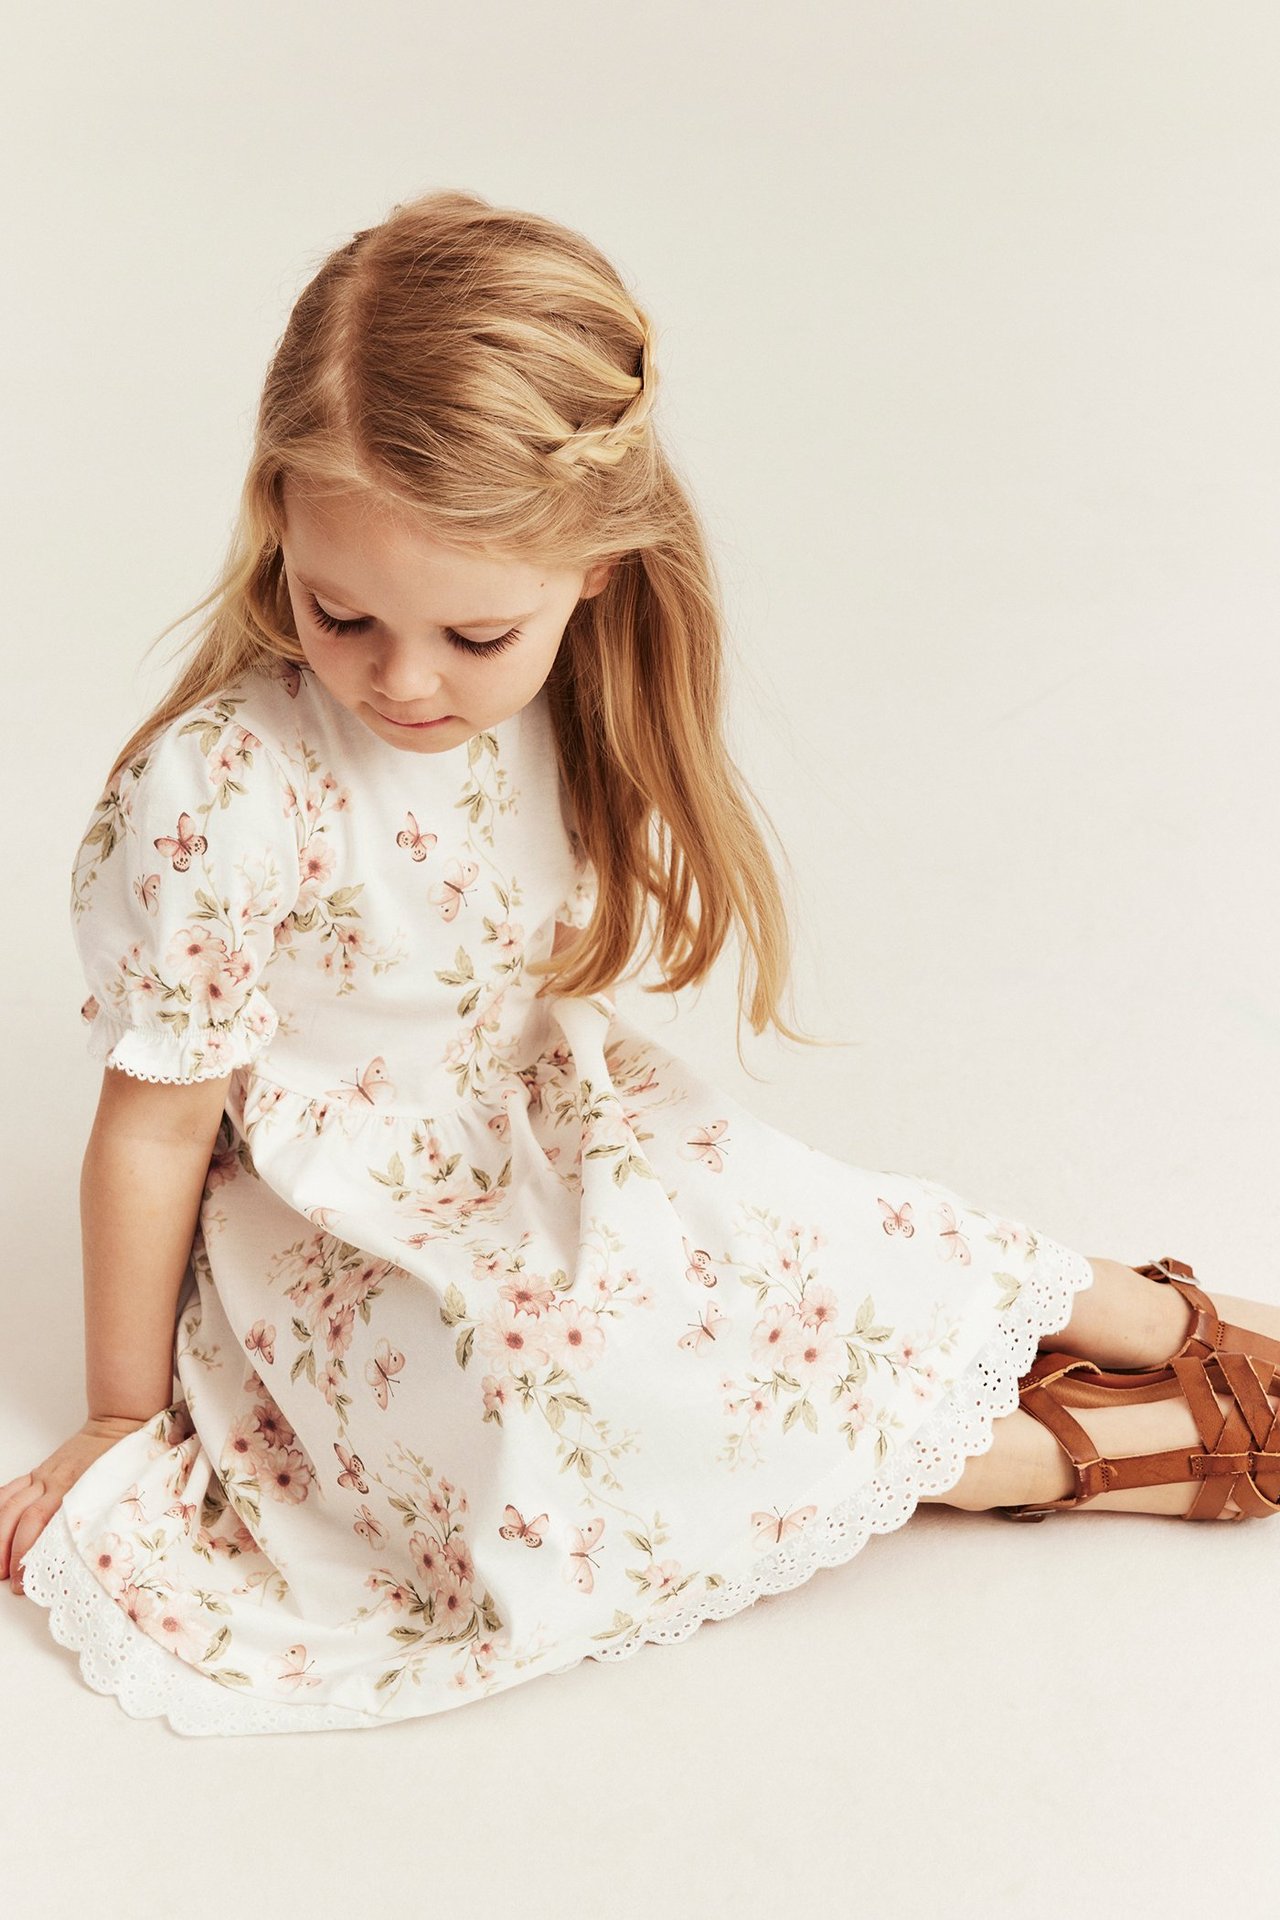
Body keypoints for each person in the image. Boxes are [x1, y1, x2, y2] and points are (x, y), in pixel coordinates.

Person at [4, 190, 1278, 1740]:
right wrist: (123, 1420)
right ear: (279, 521)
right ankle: (1052, 1460)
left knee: (791, 1237)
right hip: (345, 1220)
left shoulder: (565, 705)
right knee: (559, 1386)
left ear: (592, 569)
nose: (406, 683)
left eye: (474, 637)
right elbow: (154, 1127)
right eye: (342, 616)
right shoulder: (217, 798)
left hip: (546, 1112)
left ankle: (1143, 1316)